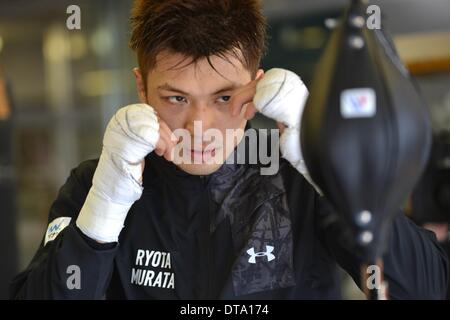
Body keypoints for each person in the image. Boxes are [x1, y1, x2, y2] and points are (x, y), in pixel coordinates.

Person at [10, 0, 449, 299]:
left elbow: (429, 290)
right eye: (176, 98)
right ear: (141, 87)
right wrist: (104, 207)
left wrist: (330, 169)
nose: (200, 127)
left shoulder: (300, 184)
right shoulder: (94, 183)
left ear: (258, 88)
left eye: (224, 98)